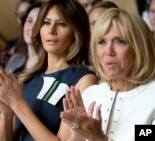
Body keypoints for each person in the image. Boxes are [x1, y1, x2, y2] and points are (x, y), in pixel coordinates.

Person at [0, 0, 98, 140]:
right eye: (46, 22)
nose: (51, 30)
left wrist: (17, 103)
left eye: (61, 24)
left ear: (76, 32)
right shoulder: (27, 78)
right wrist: (6, 115)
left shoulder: (85, 80)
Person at [61, 8, 155, 141]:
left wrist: (98, 138)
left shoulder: (152, 97)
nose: (108, 51)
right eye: (102, 42)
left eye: (120, 41)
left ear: (139, 47)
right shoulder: (90, 94)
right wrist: (77, 135)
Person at [5, 2, 42, 76]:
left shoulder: (51, 66)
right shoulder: (15, 59)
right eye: (29, 21)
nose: (32, 28)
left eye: (38, 22)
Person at [0, 0, 36, 67]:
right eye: (20, 14)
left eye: (26, 15)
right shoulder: (11, 44)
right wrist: (10, 62)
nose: (22, 18)